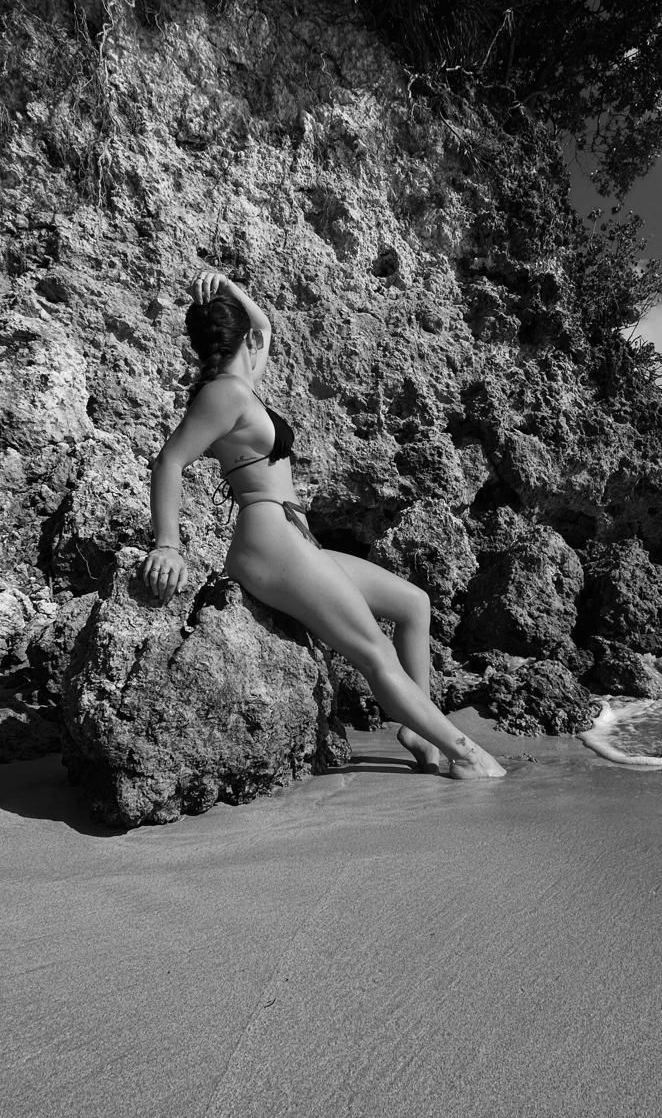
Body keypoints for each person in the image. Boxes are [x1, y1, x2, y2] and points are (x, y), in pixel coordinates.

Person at [140, 270, 506, 780]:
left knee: (413, 604)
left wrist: (228, 286)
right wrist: (168, 543)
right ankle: (467, 754)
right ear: (242, 340)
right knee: (375, 653)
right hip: (268, 539)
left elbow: (265, 326)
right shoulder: (224, 394)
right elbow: (169, 461)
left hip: (294, 536)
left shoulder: (242, 386)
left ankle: (420, 732)